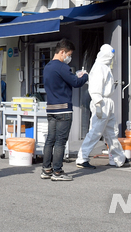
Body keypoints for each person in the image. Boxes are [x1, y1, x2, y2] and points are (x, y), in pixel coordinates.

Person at [76, 44, 131, 169]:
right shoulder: (99, 68)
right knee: (95, 132)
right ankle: (82, 157)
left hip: (106, 102)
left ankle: (119, 159)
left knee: (112, 132)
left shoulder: (105, 67)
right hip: (101, 102)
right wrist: (98, 105)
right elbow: (95, 89)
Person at [41, 39, 88, 181]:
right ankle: (58, 172)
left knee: (50, 140)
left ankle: (46, 169)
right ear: (62, 52)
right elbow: (76, 82)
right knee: (61, 142)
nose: (69, 57)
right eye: (69, 54)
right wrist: (85, 75)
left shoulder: (47, 67)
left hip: (51, 109)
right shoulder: (62, 67)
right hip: (63, 110)